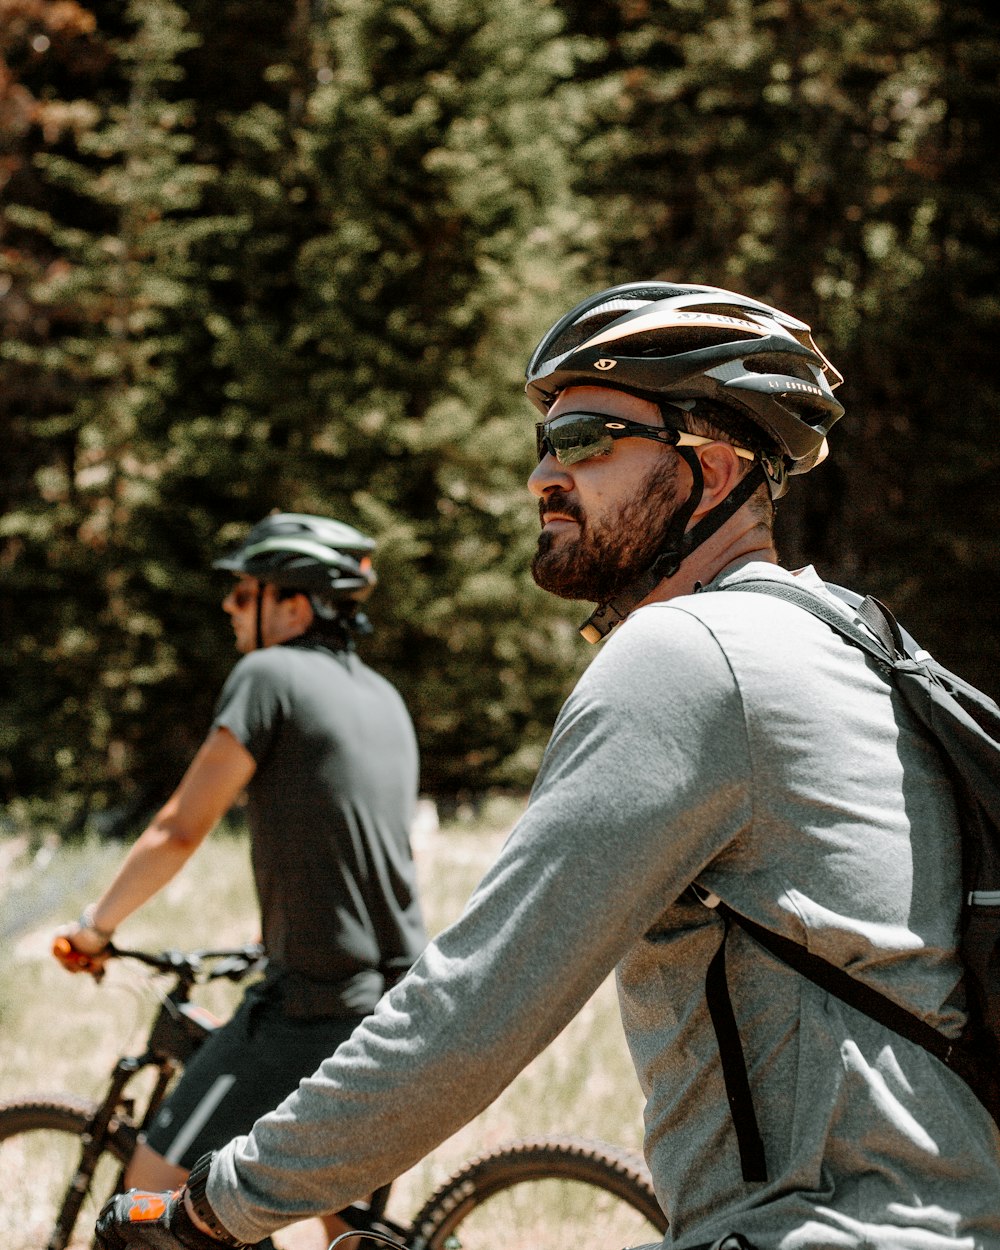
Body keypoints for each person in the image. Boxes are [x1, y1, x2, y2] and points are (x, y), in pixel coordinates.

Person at [94, 285, 1000, 1250]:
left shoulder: (690, 656)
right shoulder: (852, 636)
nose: (542, 477)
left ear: (718, 467)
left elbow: (477, 1007)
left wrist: (213, 1206)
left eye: (586, 439)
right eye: (543, 444)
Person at [55, 512, 426, 1247]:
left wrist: (94, 930)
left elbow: (177, 830)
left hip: (308, 1008)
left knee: (148, 1198)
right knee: (341, 1216)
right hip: (394, 1001)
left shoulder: (268, 675)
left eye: (244, 592)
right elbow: (346, 844)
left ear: (295, 604)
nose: (228, 606)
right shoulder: (383, 697)